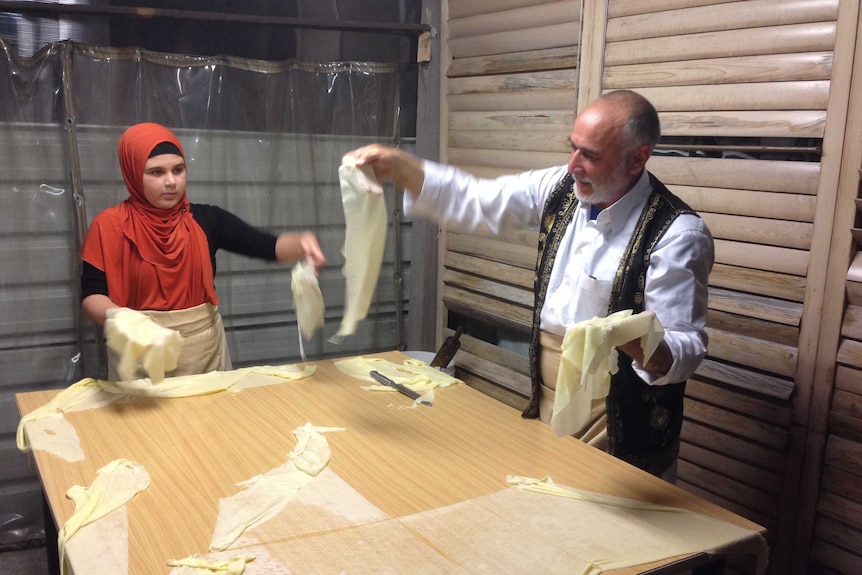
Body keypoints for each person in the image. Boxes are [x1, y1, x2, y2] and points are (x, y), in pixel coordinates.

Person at [347, 90, 714, 481]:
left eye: (590, 155)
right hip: (547, 393)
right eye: (572, 148)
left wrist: (632, 338)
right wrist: (402, 168)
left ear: (637, 158)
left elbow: (686, 348)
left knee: (610, 521)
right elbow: (480, 199)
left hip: (618, 415)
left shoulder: (677, 234)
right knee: (549, 507)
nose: (574, 165)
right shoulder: (560, 188)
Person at [81, 122, 326, 379]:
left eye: (178, 170)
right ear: (132, 173)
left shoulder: (207, 220)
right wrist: (120, 316)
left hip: (203, 355)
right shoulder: (109, 226)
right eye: (156, 172)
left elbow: (267, 247)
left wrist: (301, 243)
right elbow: (91, 296)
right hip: (141, 356)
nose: (171, 182)